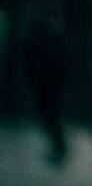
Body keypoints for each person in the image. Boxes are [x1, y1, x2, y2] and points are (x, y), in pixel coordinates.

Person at [22, 13, 69, 164]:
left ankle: (60, 149)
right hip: (49, 86)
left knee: (51, 117)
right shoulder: (54, 43)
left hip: (49, 86)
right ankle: (59, 148)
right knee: (50, 117)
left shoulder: (50, 44)